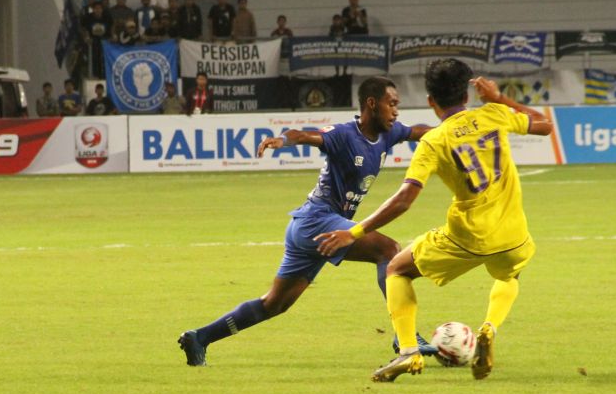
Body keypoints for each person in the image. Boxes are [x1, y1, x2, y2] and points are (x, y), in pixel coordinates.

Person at [312, 61, 553, 382]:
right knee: (510, 275)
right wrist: (498, 98)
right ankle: (488, 328)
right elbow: (545, 125)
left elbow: (403, 200)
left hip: (465, 236)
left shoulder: (434, 140)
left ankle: (409, 352)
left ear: (430, 101)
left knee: (397, 269)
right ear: (467, 93)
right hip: (512, 233)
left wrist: (353, 231)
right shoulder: (493, 114)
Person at [176, 76, 438, 368]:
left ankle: (199, 337)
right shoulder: (344, 135)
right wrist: (282, 140)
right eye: (392, 104)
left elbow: (421, 132)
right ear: (371, 104)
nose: (396, 111)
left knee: (274, 304)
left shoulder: (387, 134)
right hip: (318, 221)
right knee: (388, 250)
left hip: (310, 227)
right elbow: (303, 135)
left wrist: (453, 130)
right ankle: (404, 336)